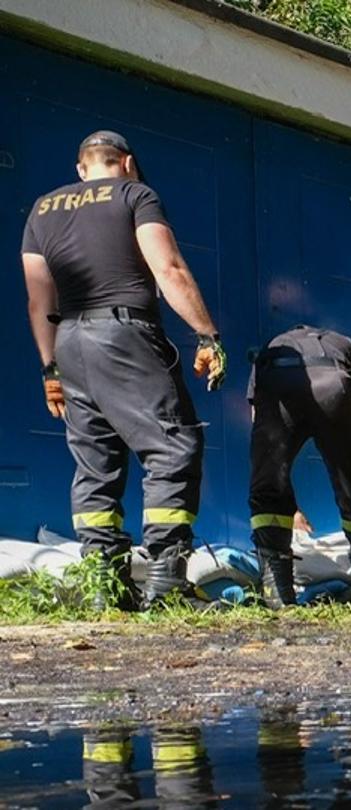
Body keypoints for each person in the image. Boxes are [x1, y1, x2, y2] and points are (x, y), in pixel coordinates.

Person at [19, 131, 226, 610]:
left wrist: (49, 367)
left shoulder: (41, 209)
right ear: (127, 163)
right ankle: (165, 581)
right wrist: (207, 334)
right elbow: (167, 268)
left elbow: (38, 299)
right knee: (173, 445)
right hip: (124, 333)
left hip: (68, 341)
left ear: (81, 169)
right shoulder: (136, 194)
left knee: (95, 463)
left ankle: (103, 587)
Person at [247, 325, 351, 606]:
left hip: (276, 380)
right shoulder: (344, 341)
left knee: (267, 489)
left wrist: (286, 503)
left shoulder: (273, 343)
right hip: (333, 382)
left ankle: (277, 590)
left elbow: (262, 429)